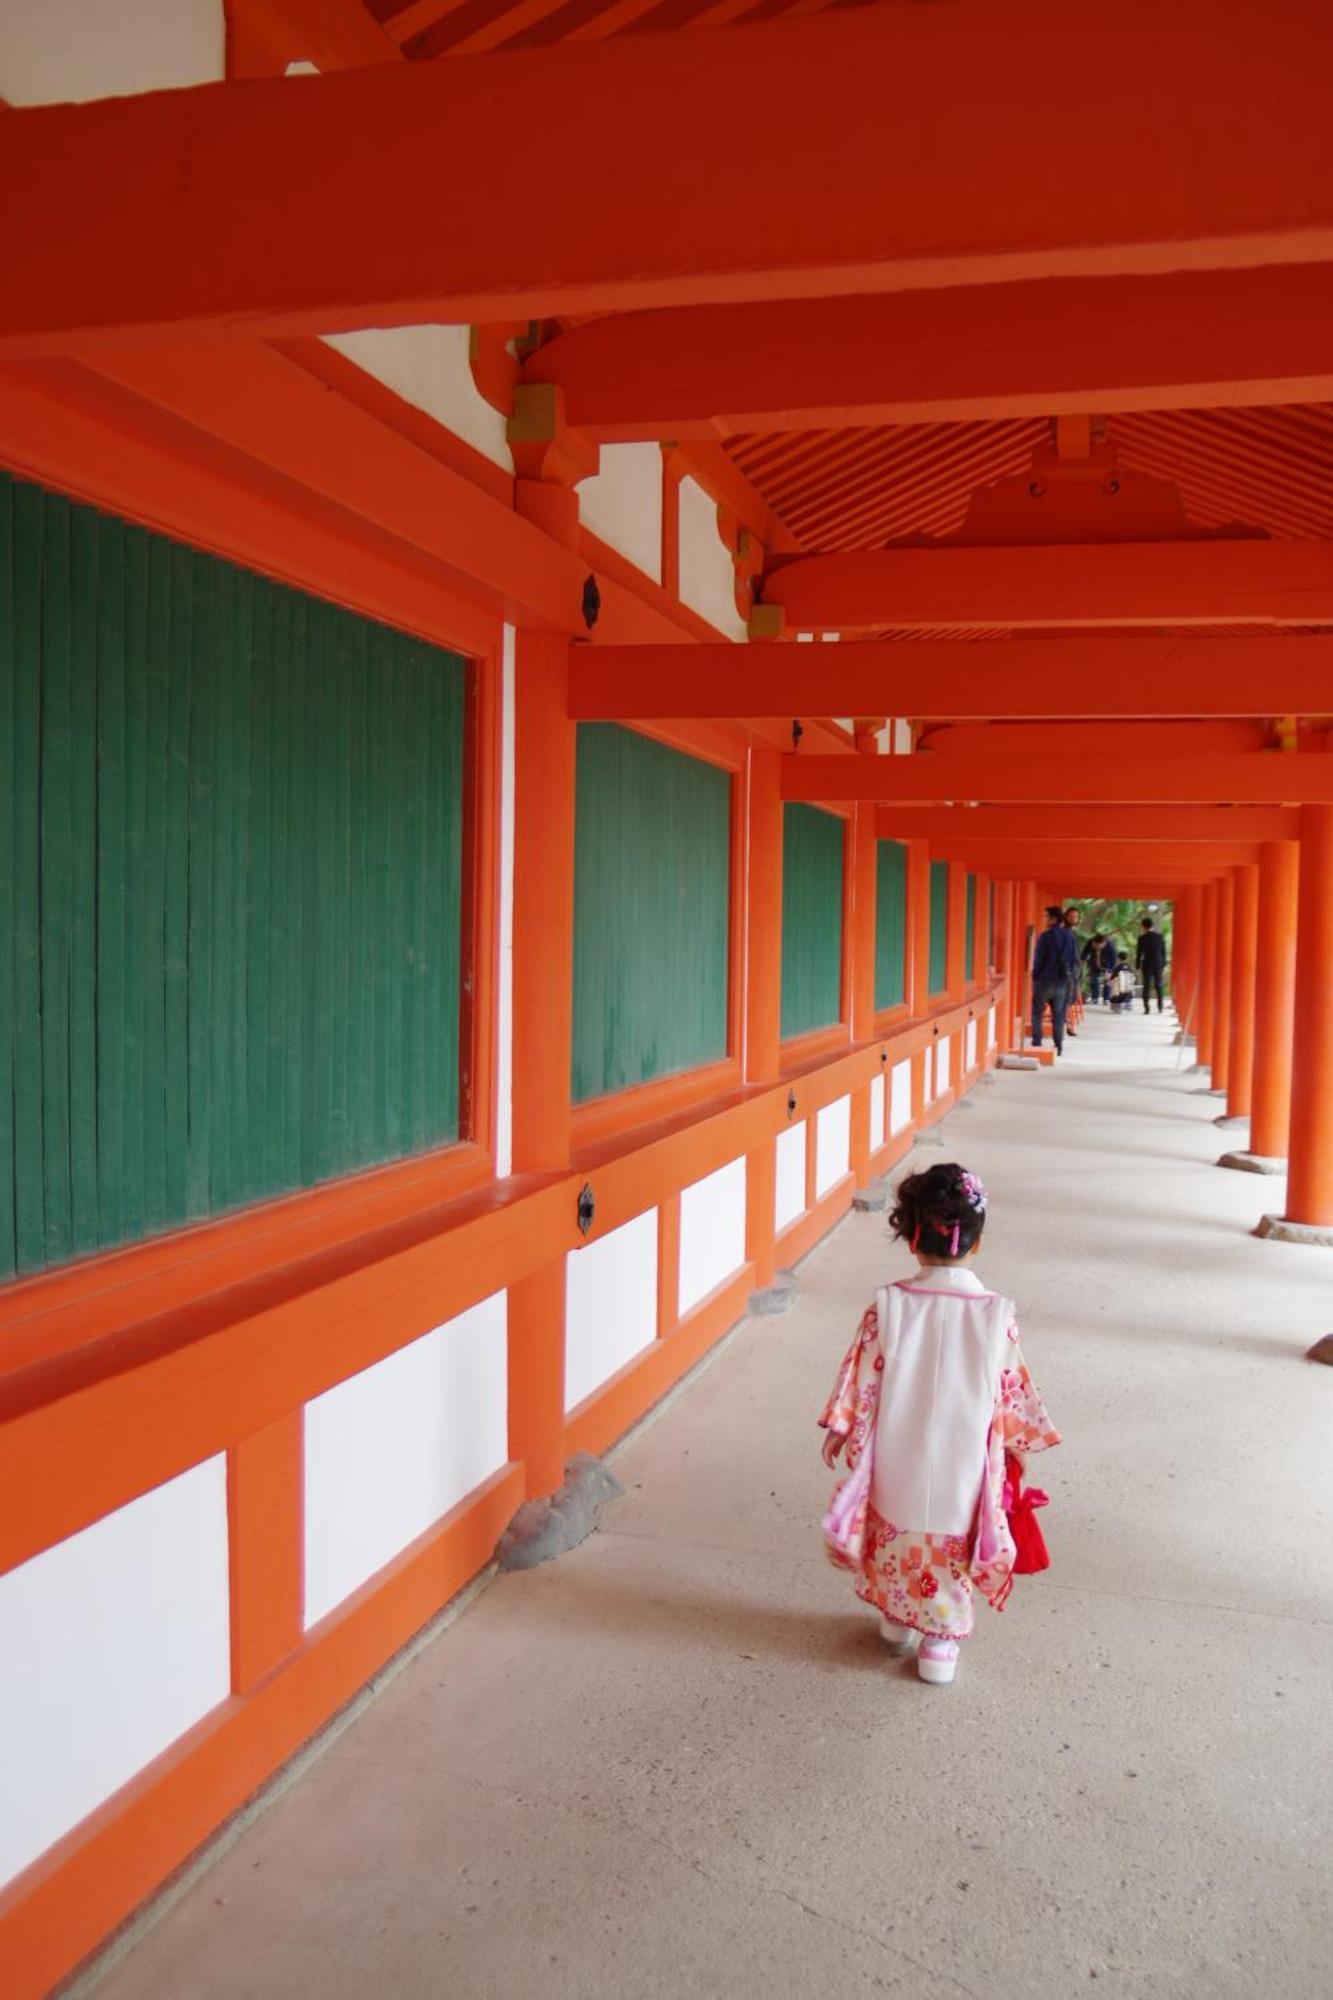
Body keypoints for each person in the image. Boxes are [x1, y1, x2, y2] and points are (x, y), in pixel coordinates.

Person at [818, 1163, 1061, 1688]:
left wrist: (842, 1425)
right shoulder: (996, 1313)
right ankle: (940, 1643)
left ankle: (895, 1620)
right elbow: (1010, 1388)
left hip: (898, 1455)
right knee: (951, 1544)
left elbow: (860, 1380)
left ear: (911, 1239)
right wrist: (1018, 1444)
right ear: (976, 1242)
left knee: (895, 1534)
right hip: (962, 1463)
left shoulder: (889, 1305)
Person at [1030, 905, 1079, 1053]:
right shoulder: (1069, 936)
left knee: (1037, 1012)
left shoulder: (1045, 936)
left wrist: (1035, 976)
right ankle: (1058, 1045)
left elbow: (1039, 959)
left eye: (1046, 916)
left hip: (1045, 980)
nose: (1045, 919)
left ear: (1054, 919)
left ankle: (1037, 1042)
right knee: (1058, 1015)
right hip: (1062, 982)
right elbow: (1073, 960)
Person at [1136, 916, 1167, 1013]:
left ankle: (1146, 1008)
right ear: (1152, 925)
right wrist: (1163, 962)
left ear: (1143, 926)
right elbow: (1163, 951)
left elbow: (1139, 953)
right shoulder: (1159, 936)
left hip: (1147, 964)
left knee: (1147, 986)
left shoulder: (1142, 938)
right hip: (1158, 963)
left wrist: (1137, 965)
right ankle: (1160, 1006)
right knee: (1158, 985)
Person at [1081, 932, 1107, 1004]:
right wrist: (1082, 960)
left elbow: (1113, 957)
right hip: (1094, 963)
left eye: (1097, 945)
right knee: (1093, 979)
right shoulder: (1090, 942)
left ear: (1102, 944)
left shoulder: (1108, 944)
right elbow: (1085, 952)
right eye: (1094, 944)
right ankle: (1095, 997)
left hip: (1106, 964)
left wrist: (1109, 968)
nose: (1095, 946)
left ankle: (1106, 999)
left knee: (1107, 981)